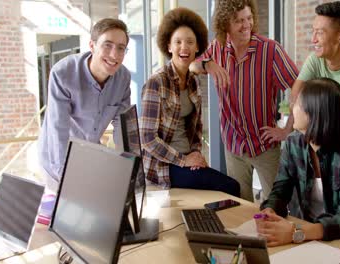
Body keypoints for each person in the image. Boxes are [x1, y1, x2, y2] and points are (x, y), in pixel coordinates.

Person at [190, 0, 299, 201]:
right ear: (225, 25)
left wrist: (287, 129)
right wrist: (208, 65)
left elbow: (300, 88)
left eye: (248, 18)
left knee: (276, 207)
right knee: (240, 207)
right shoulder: (217, 49)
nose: (246, 25)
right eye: (238, 21)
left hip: (265, 145)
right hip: (234, 146)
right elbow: (192, 66)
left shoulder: (270, 50)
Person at [255, 78, 340, 247]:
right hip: (306, 238)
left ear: (315, 114)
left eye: (298, 104)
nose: (292, 109)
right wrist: (270, 210)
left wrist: (296, 232)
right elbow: (280, 191)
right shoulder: (293, 144)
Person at [140, 7, 240, 197]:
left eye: (190, 42)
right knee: (229, 187)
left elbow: (196, 128)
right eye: (177, 42)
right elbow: (148, 139)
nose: (184, 47)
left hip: (186, 158)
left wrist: (196, 155)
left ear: (197, 48)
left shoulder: (193, 81)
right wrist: (183, 161)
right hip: (164, 165)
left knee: (225, 186)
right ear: (168, 46)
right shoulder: (157, 82)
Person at [38, 18, 131, 193]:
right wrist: (65, 176)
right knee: (67, 211)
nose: (114, 55)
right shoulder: (63, 73)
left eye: (121, 48)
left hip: (89, 152)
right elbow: (58, 129)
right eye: (107, 45)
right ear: (92, 45)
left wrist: (127, 165)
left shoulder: (123, 77)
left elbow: (122, 125)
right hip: (57, 158)